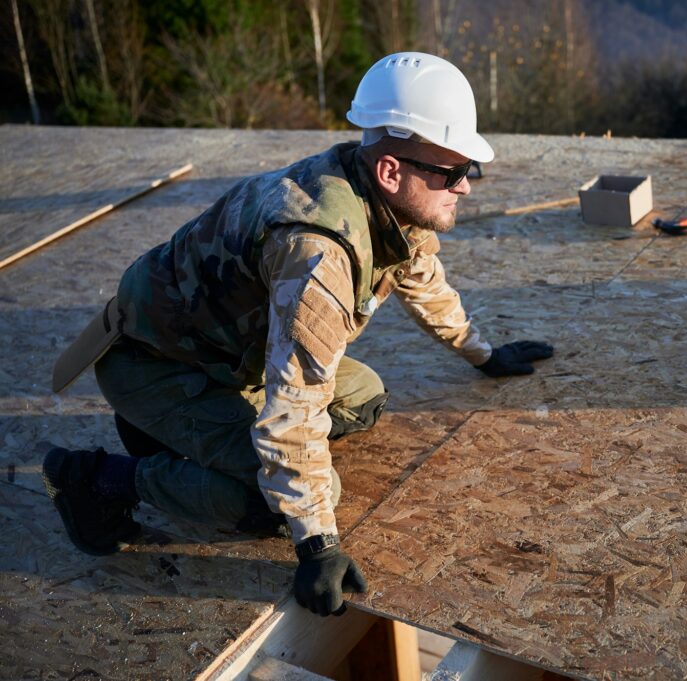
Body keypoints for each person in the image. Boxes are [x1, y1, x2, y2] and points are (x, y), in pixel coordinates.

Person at [42, 52, 553, 617]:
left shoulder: (383, 200)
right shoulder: (319, 252)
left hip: (226, 354)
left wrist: (481, 354)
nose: (466, 188)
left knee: (364, 396)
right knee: (275, 502)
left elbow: (421, 276)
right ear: (391, 169)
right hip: (155, 364)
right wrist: (317, 544)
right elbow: (295, 406)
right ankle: (99, 479)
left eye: (468, 171)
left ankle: (179, 436)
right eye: (454, 173)